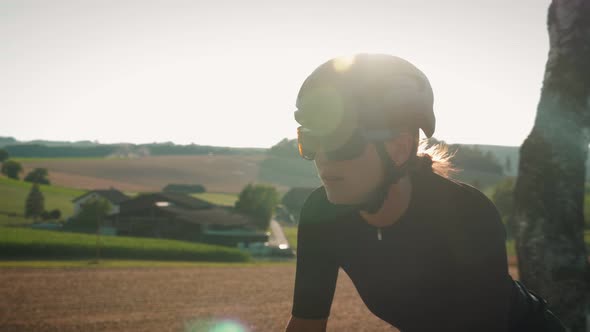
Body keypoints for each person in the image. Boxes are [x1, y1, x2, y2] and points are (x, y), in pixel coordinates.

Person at [284, 54, 566, 332]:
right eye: (310, 140)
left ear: (399, 148)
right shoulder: (320, 213)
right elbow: (306, 323)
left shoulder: (466, 213)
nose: (322, 157)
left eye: (339, 140)